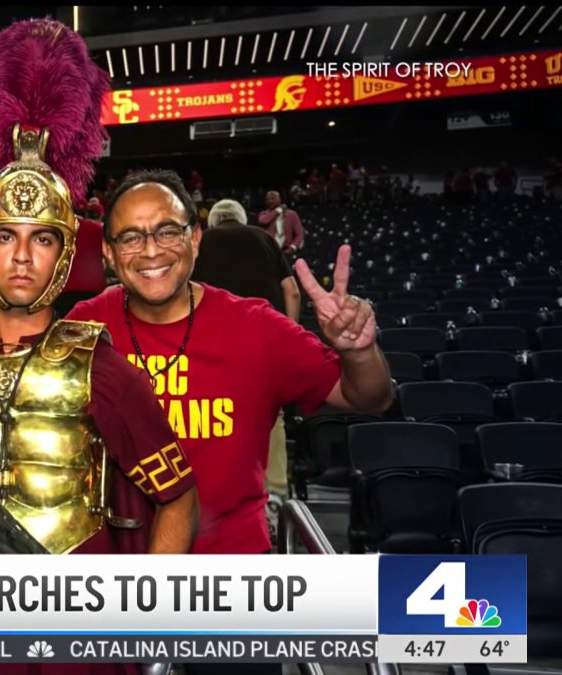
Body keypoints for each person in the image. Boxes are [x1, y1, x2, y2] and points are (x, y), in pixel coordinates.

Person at [0, 18, 200, 568]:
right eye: (5, 236)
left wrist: (148, 624)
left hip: (74, 629)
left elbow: (178, 498)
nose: (22, 257)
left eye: (42, 238)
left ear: (66, 254)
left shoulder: (101, 369)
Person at [65, 169, 393, 557]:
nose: (151, 250)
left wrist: (358, 352)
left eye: (168, 231)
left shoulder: (256, 327)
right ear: (109, 252)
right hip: (117, 570)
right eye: (131, 237)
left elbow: (370, 398)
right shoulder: (82, 328)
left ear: (196, 239)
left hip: (234, 569)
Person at [191, 197, 301, 534]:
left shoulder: (201, 242)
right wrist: (289, 336)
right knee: (271, 414)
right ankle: (275, 495)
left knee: (209, 413)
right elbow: (291, 290)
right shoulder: (264, 239)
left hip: (210, 341)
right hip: (262, 340)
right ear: (241, 218)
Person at [257, 189, 304, 255]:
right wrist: (278, 210)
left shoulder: (292, 214)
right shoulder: (263, 214)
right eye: (267, 200)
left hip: (286, 250)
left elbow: (299, 233)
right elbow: (263, 221)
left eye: (273, 198)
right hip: (269, 250)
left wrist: (293, 247)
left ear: (279, 199)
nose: (270, 201)